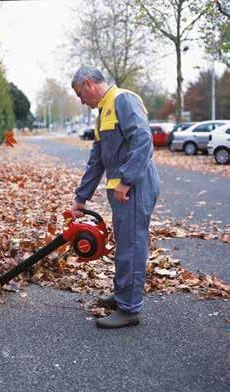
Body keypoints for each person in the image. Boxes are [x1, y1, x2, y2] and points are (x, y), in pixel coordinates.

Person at [71, 65, 160, 329]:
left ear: (88, 84)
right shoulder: (102, 113)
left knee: (132, 245)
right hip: (123, 190)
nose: (80, 100)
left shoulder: (123, 99)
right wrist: (81, 198)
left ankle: (130, 309)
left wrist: (126, 180)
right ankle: (123, 296)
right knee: (124, 243)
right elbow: (96, 160)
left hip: (135, 186)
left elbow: (143, 141)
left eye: (79, 94)